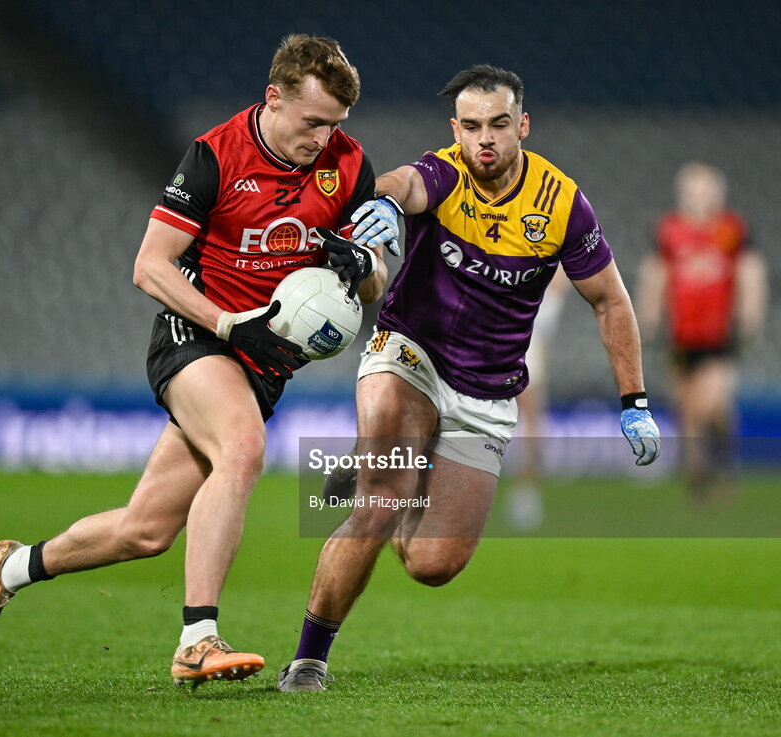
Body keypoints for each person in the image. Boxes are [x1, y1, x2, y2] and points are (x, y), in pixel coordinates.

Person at [0, 35, 390, 687]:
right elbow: (148, 265)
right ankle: (197, 639)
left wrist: (366, 268)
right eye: (313, 122)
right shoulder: (216, 156)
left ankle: (10, 568)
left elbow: (374, 283)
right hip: (198, 333)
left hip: (264, 363)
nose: (324, 138)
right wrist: (228, 323)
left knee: (144, 529)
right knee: (243, 448)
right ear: (274, 99)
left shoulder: (349, 166)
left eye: (336, 125)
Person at [277, 64, 661, 692]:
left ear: (523, 126)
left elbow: (611, 302)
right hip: (409, 353)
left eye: (499, 125)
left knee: (433, 564)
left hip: (486, 389)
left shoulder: (561, 203)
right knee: (379, 502)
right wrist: (382, 199)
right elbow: (404, 182)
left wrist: (634, 400)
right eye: (473, 126)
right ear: (456, 129)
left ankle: (396, 472)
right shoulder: (445, 171)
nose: (485, 139)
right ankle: (309, 660)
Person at [637, 162, 766, 502]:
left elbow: (751, 272)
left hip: (718, 334)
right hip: (680, 334)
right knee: (686, 407)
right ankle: (698, 477)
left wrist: (750, 315)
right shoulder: (670, 231)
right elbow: (656, 272)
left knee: (712, 403)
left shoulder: (731, 230)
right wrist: (649, 315)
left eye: (703, 190)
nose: (697, 197)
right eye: (691, 190)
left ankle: (724, 454)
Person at [507, 270, 568, 530]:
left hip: (523, 321)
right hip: (522, 317)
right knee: (531, 415)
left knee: (530, 415)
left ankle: (527, 491)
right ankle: (527, 491)